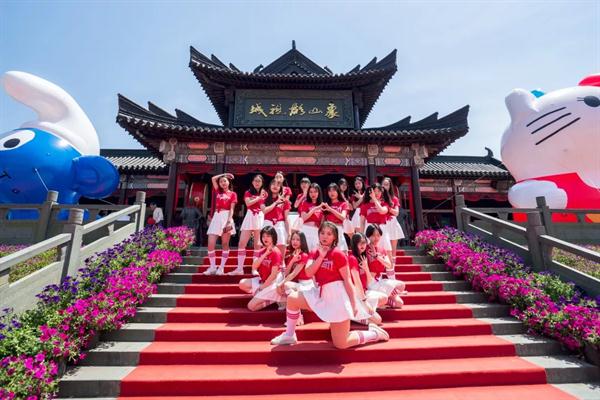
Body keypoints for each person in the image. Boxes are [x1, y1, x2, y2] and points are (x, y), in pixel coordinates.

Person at [271, 221, 389, 348]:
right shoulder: (314, 252)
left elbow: (348, 280)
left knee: (341, 343)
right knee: (292, 299)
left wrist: (353, 304)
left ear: (334, 237)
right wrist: (321, 257)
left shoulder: (338, 254)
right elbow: (308, 272)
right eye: (322, 233)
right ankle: (289, 335)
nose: (325, 236)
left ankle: (374, 334)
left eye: (329, 234)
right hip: (320, 293)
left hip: (338, 298)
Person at [238, 226, 284, 311]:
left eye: (268, 236)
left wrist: (263, 287)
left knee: (251, 307)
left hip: (272, 283)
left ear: (273, 237)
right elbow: (254, 267)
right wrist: (265, 254)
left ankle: (272, 298)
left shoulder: (276, 252)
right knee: (242, 283)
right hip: (262, 280)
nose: (265, 238)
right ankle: (268, 297)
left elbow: (274, 275)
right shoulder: (262, 251)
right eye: (263, 236)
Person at [230, 174, 268, 275]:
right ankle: (239, 268)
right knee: (241, 243)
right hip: (250, 215)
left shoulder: (265, 193)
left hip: (260, 216)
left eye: (259, 181)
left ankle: (254, 268)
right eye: (255, 181)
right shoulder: (248, 192)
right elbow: (248, 204)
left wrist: (259, 198)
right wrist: (258, 198)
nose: (257, 183)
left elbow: (264, 206)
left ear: (262, 183)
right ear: (252, 182)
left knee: (257, 244)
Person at [348, 232, 386, 325]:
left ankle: (362, 313)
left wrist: (366, 268)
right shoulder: (352, 258)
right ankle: (352, 317)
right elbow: (357, 283)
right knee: (378, 320)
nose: (362, 245)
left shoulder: (363, 258)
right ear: (354, 244)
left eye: (364, 242)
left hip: (364, 292)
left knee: (384, 298)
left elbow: (369, 281)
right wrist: (365, 302)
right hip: (355, 295)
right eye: (359, 242)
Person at [365, 224, 407, 309]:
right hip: (370, 283)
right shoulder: (364, 249)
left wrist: (378, 257)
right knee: (398, 292)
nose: (376, 238)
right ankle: (382, 298)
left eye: (378, 235)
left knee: (399, 303)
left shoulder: (381, 250)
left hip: (379, 282)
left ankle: (385, 299)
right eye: (373, 235)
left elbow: (389, 265)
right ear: (368, 236)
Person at [204, 173, 237, 275]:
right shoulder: (218, 191)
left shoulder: (233, 194)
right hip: (217, 217)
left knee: (225, 244)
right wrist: (225, 174)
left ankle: (221, 268)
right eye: (221, 181)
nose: (223, 183)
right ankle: (213, 267)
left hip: (226, 217)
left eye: (225, 181)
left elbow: (232, 209)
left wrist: (229, 221)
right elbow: (213, 178)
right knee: (210, 244)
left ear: (229, 182)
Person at [277, 231, 312, 325]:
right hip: (298, 284)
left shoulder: (304, 255)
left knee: (286, 285)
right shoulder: (291, 255)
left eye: (298, 239)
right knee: (284, 284)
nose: (294, 241)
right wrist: (292, 260)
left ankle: (298, 317)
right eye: (293, 239)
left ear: (302, 241)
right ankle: (294, 313)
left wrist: (281, 284)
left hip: (306, 285)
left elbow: (293, 274)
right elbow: (286, 273)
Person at [359, 182, 392, 256]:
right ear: (370, 192)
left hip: (382, 229)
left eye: (379, 191)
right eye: (374, 191)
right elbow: (362, 222)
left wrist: (374, 199)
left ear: (382, 192)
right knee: (369, 252)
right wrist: (361, 235)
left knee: (387, 250)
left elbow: (382, 211)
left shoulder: (385, 204)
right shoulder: (365, 206)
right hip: (370, 230)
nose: (376, 193)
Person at [261, 179, 291, 258]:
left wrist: (289, 233)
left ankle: (281, 264)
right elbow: (264, 211)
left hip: (280, 225)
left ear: (280, 188)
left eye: (278, 185)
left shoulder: (285, 201)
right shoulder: (263, 199)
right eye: (273, 184)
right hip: (267, 225)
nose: (275, 186)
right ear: (270, 186)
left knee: (281, 250)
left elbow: (286, 218)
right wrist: (276, 202)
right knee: (266, 251)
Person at [382, 177, 405, 262]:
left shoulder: (394, 198)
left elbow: (396, 213)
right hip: (382, 222)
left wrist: (388, 209)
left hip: (392, 222)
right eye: (383, 184)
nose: (385, 186)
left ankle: (392, 267)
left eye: (387, 184)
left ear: (390, 186)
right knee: (383, 245)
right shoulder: (379, 198)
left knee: (393, 248)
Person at [323, 183, 349, 252]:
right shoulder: (326, 205)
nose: (332, 193)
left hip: (339, 230)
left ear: (338, 191)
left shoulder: (343, 204)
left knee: (342, 253)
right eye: (330, 191)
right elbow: (323, 221)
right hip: (328, 232)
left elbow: (343, 217)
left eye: (334, 190)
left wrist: (330, 209)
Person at [298, 183, 324, 250]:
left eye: (315, 192)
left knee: (315, 252)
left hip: (316, 231)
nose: (313, 194)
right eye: (311, 192)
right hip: (306, 229)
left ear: (319, 193)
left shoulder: (322, 205)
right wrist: (314, 209)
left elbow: (322, 222)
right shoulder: (305, 203)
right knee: (306, 251)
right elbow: (303, 218)